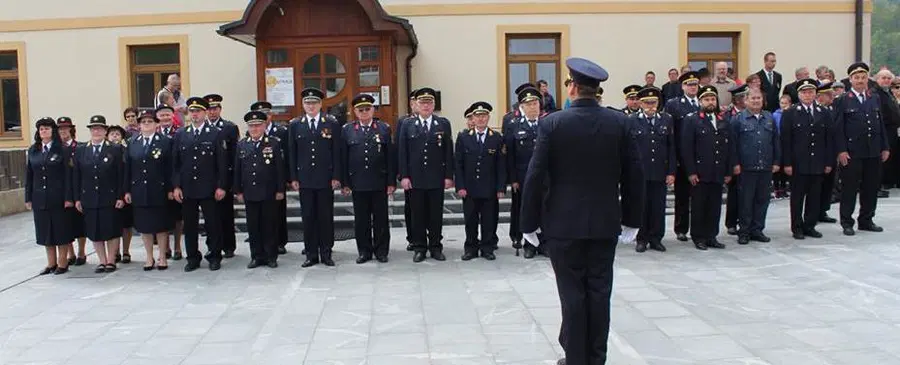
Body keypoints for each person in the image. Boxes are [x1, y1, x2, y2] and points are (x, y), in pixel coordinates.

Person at [519, 57, 644, 365]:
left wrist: (528, 223)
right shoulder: (620, 122)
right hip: (604, 222)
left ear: (572, 87)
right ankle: (595, 358)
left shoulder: (552, 123)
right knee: (600, 293)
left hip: (564, 225)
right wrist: (632, 220)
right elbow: (634, 175)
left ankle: (575, 359)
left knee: (572, 295)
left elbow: (535, 175)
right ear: (597, 90)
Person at [398, 87, 454, 263]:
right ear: (417, 104)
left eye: (429, 103)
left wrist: (448, 176)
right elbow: (402, 152)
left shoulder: (443, 124)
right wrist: (404, 176)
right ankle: (420, 247)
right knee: (417, 215)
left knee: (435, 215)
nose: (426, 106)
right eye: (422, 102)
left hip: (436, 177)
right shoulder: (407, 124)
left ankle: (436, 247)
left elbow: (447, 152)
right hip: (415, 178)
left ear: (433, 105)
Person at [172, 97, 228, 272]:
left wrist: (221, 186)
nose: (194, 115)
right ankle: (192, 257)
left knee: (213, 224)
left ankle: (214, 255)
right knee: (190, 225)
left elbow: (222, 163)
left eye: (198, 111)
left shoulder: (216, 133)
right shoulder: (181, 134)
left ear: (204, 113)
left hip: (209, 187)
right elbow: (175, 164)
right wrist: (176, 186)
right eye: (192, 111)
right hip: (188, 188)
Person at [288, 88, 342, 267]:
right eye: (307, 103)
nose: (311, 106)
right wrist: (293, 177)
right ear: (303, 105)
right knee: (308, 217)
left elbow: (336, 151)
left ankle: (326, 253)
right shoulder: (296, 124)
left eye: (314, 103)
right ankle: (311, 254)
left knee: (325, 217)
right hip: (305, 179)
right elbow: (292, 153)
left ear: (320, 104)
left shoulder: (331, 123)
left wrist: (336, 175)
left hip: (325, 178)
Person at [835, 62, 890, 235]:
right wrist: (841, 150)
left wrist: (885, 146)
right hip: (852, 152)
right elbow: (838, 128)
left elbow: (880, 123)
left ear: (868, 79)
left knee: (871, 187)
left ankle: (866, 220)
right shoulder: (843, 100)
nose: (860, 80)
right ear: (850, 80)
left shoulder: (874, 97)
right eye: (856, 77)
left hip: (872, 150)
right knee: (850, 188)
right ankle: (847, 222)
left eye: (863, 77)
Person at [341, 94, 395, 264]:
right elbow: (344, 158)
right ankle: (364, 251)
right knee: (361, 219)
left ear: (373, 109)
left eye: (367, 109)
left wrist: (391, 182)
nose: (364, 112)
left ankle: (381, 251)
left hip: (379, 181)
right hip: (358, 182)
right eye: (360, 109)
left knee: (381, 219)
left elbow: (390, 158)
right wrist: (345, 183)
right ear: (355, 112)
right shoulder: (347, 129)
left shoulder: (383, 128)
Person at [780, 78, 833, 239]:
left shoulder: (823, 112)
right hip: (798, 163)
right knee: (797, 197)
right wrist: (787, 163)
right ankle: (796, 227)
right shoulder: (790, 113)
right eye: (804, 92)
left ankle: (810, 225)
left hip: (817, 161)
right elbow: (785, 140)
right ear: (799, 94)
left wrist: (828, 162)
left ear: (816, 93)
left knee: (815, 196)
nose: (808, 95)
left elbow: (829, 139)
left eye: (810, 91)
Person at [682, 86, 734, 250]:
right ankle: (698, 237)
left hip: (718, 170)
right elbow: (687, 148)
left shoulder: (723, 119)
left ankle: (712, 235)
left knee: (714, 206)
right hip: (700, 171)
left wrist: (728, 171)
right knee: (699, 206)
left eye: (713, 99)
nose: (710, 102)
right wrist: (691, 171)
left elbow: (729, 146)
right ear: (700, 101)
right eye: (707, 99)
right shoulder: (692, 120)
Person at [74, 115, 125, 273]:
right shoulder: (82, 150)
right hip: (89, 196)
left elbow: (121, 174)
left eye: (100, 128)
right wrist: (77, 198)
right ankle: (101, 261)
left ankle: (111, 260)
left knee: (111, 229)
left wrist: (120, 196)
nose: (96, 131)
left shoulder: (115, 149)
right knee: (94, 231)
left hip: (109, 196)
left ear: (105, 131)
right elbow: (77, 175)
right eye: (93, 128)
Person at [234, 110, 285, 269]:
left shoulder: (273, 143)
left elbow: (279, 169)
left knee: (269, 225)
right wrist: (238, 190)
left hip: (269, 191)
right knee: (253, 226)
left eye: (258, 125)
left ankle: (271, 256)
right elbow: (238, 169)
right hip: (250, 191)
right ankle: (256, 256)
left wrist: (280, 189)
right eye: (251, 126)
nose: (255, 129)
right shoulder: (242, 144)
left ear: (264, 126)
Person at [455, 101, 506, 261]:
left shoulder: (496, 138)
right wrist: (460, 186)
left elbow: (501, 165)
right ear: (473, 119)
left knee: (489, 220)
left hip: (489, 188)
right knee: (470, 220)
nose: (481, 119)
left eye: (484, 116)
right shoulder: (463, 137)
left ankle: (487, 248)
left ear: (488, 117)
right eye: (478, 116)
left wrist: (500, 187)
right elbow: (458, 164)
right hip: (469, 188)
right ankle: (470, 248)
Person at [125, 110, 174, 270]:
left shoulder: (165, 142)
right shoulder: (133, 142)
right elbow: (128, 168)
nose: (146, 124)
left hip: (158, 189)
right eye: (143, 122)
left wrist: (171, 188)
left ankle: (162, 256)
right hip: (139, 189)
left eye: (150, 121)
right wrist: (127, 190)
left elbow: (170, 168)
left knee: (161, 225)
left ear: (156, 124)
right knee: (144, 226)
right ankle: (149, 257)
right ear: (139, 125)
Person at [732, 88, 781, 245]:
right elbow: (732, 144)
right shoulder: (738, 119)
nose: (755, 101)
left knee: (762, 199)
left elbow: (775, 141)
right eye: (752, 98)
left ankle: (757, 229)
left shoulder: (769, 118)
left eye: (758, 98)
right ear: (745, 101)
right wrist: (735, 164)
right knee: (746, 201)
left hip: (765, 165)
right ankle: (744, 231)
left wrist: (776, 162)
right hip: (747, 167)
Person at [26, 117, 73, 275]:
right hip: (40, 197)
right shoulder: (34, 150)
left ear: (53, 131)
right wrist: (28, 198)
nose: (43, 131)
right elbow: (29, 176)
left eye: (47, 128)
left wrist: (68, 198)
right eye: (41, 129)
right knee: (45, 231)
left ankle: (62, 262)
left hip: (58, 197)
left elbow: (68, 176)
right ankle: (51, 263)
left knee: (61, 231)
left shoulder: (62, 149)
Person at [630, 87, 675, 253]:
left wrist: (671, 172)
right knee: (641, 207)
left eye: (653, 102)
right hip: (640, 172)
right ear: (640, 103)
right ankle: (641, 239)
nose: (650, 105)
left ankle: (656, 238)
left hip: (659, 171)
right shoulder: (632, 120)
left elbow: (671, 147)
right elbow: (629, 149)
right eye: (647, 102)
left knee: (658, 206)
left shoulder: (666, 119)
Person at [505, 86, 544, 258]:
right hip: (523, 177)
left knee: (544, 210)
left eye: (535, 103)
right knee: (526, 210)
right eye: (529, 104)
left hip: (545, 178)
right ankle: (529, 244)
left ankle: (544, 243)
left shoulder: (547, 124)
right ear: (522, 107)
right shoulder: (514, 126)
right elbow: (510, 156)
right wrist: (513, 179)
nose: (533, 107)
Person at [664, 71, 701, 242]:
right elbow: (670, 132)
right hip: (682, 156)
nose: (693, 87)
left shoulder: (705, 102)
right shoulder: (674, 105)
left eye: (695, 84)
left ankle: (698, 228)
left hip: (701, 155)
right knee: (682, 196)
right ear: (683, 86)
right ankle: (681, 228)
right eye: (689, 84)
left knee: (700, 196)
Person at [253, 101, 290, 255]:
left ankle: (280, 241)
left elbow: (287, 155)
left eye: (267, 114)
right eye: (261, 114)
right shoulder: (252, 132)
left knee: (279, 212)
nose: (265, 117)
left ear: (270, 115)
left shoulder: (281, 131)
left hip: (277, 179)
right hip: (259, 181)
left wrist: (287, 179)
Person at [205, 94, 239, 258]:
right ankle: (212, 245)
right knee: (210, 215)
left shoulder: (229, 127)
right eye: (209, 109)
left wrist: (232, 181)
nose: (212, 112)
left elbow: (234, 155)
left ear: (220, 109)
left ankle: (229, 245)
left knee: (226, 214)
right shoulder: (202, 128)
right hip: (207, 178)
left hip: (225, 177)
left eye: (215, 109)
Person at [56, 117, 87, 266]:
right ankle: (71, 253)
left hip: (78, 188)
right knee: (64, 225)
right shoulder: (56, 148)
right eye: (60, 129)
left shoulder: (79, 147)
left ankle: (81, 252)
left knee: (80, 224)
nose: (63, 131)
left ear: (71, 130)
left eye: (65, 128)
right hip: (62, 191)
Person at [156, 104, 183, 260]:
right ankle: (164, 248)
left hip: (176, 179)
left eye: (168, 115)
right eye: (162, 115)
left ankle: (177, 247)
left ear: (173, 117)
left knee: (178, 217)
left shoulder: (179, 133)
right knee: (163, 216)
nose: (165, 118)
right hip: (160, 181)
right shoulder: (154, 133)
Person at [722, 84, 749, 235]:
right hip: (733, 159)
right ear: (737, 99)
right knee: (734, 193)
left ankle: (744, 220)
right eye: (744, 97)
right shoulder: (728, 115)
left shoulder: (749, 113)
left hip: (748, 159)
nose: (746, 99)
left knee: (746, 193)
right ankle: (731, 222)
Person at [107, 124, 133, 264]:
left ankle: (126, 251)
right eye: (112, 134)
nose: (115, 136)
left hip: (125, 191)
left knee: (126, 224)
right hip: (110, 193)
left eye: (118, 134)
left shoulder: (126, 151)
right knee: (113, 224)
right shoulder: (104, 151)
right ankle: (114, 252)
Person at [816, 81, 839, 223]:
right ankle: (815, 211)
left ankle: (823, 210)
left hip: (832, 151)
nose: (831, 97)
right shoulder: (816, 111)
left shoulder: (833, 109)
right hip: (819, 152)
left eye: (831, 94)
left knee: (829, 183)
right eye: (828, 95)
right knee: (818, 184)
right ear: (819, 97)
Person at [398, 90, 418, 252]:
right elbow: (400, 147)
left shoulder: (438, 122)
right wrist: (402, 173)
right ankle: (412, 237)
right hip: (411, 175)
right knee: (411, 207)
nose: (415, 105)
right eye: (413, 102)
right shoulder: (404, 122)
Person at [771, 94, 793, 200]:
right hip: (778, 140)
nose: (783, 105)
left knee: (785, 164)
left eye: (786, 103)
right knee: (777, 165)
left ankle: (784, 187)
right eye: (782, 103)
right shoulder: (775, 115)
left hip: (788, 141)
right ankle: (776, 188)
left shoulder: (791, 113)